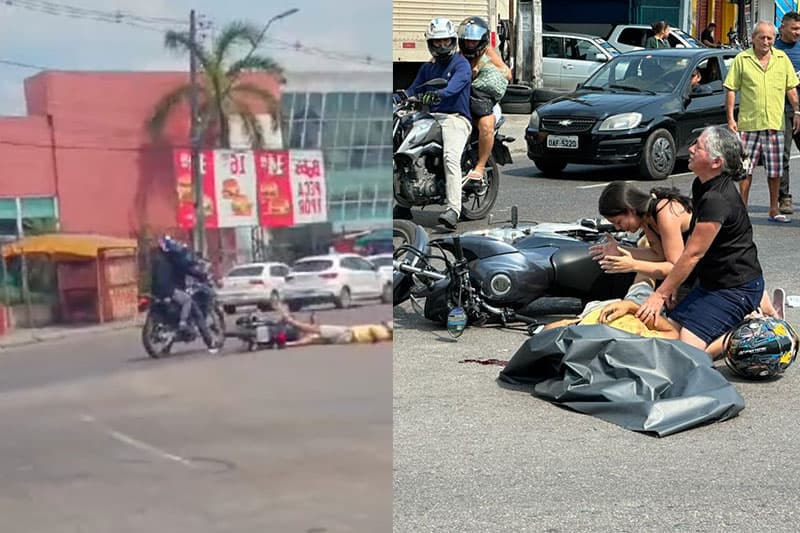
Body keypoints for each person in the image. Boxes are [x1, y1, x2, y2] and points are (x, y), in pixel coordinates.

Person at [635, 126, 766, 353]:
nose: (691, 148)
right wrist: (674, 285)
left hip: (736, 288)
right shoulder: (702, 184)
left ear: (716, 162)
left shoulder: (717, 199)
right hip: (710, 284)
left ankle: (749, 328)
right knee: (668, 334)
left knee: (689, 349)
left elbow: (693, 253)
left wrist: (660, 294)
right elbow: (693, 251)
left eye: (699, 146)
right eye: (694, 142)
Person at [724, 20, 800, 223]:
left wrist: (797, 110)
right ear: (754, 39)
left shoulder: (782, 59)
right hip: (749, 125)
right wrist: (731, 118)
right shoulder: (742, 59)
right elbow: (731, 89)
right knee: (745, 170)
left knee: (775, 170)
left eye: (770, 38)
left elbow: (791, 88)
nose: (766, 41)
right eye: (762, 37)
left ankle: (774, 208)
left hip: (775, 124)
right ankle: (743, 208)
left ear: (774, 39)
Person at [400, 17, 473, 230]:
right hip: (431, 118)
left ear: (453, 41)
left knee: (450, 157)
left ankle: (453, 209)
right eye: (437, 42)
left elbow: (453, 88)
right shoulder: (428, 68)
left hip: (455, 118)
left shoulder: (461, 64)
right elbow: (415, 88)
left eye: (446, 41)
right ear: (430, 44)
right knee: (404, 150)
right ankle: (404, 203)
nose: (442, 46)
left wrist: (436, 95)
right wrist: (401, 95)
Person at [457, 16, 510, 195]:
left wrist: (486, 71)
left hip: (485, 103)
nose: (470, 44)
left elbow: (507, 74)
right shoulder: (457, 54)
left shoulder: (487, 53)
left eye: (474, 41)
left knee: (486, 125)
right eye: (467, 40)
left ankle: (479, 167)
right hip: (462, 102)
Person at [150, 235, 218, 353]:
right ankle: (209, 342)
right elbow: (188, 270)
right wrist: (202, 275)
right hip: (169, 290)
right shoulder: (174, 261)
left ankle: (167, 347)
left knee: (177, 311)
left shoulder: (158, 260)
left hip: (156, 292)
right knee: (194, 309)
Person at [774, 11, 800, 215]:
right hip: (782, 110)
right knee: (783, 156)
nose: (798, 33)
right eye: (794, 29)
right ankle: (784, 198)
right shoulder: (772, 49)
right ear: (782, 27)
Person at [276, 304, 393, 347]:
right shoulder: (384, 332)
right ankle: (288, 344)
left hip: (348, 334)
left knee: (316, 330)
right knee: (314, 339)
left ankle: (290, 321)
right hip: (348, 335)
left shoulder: (384, 333)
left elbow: (375, 332)